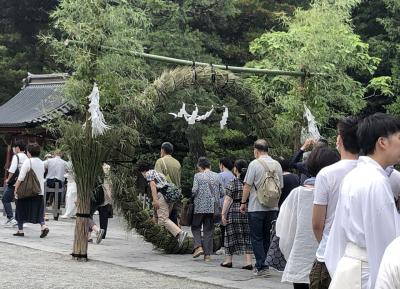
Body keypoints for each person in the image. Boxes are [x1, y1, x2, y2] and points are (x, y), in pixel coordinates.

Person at [325, 113, 400, 289]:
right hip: (369, 272)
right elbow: (385, 242)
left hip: (348, 268)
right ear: (382, 142)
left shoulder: (355, 176)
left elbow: (337, 235)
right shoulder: (376, 181)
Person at [277, 147, 340, 289]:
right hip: (331, 262)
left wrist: (290, 254)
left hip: (301, 260)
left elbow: (284, 231)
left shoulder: (298, 194)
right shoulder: (341, 193)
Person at [310, 116, 360, 289]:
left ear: (340, 139)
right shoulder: (376, 173)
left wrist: (328, 244)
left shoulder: (327, 174)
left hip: (327, 257)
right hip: (360, 260)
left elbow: (317, 224)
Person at [239, 139, 284, 276]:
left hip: (256, 206)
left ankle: (261, 266)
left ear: (256, 150)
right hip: (273, 208)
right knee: (266, 236)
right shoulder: (277, 164)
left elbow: (247, 185)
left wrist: (243, 202)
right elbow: (280, 186)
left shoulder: (254, 164)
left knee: (256, 237)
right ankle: (266, 264)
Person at [138, 162, 188, 246]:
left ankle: (180, 233)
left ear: (143, 171)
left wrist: (155, 200)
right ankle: (166, 240)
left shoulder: (149, 173)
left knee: (163, 219)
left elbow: (153, 185)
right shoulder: (157, 173)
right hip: (169, 197)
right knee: (160, 220)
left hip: (162, 196)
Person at [220, 159, 253, 270]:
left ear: (236, 169)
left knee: (230, 235)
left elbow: (227, 200)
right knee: (247, 236)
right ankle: (248, 262)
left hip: (234, 210)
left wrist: (223, 214)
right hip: (248, 209)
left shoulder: (233, 182)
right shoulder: (250, 183)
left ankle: (228, 260)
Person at [191, 157, 224, 261]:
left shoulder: (197, 176)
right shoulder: (217, 176)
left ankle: (198, 246)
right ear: (209, 166)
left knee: (195, 227)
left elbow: (194, 190)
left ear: (199, 167)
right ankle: (207, 256)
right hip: (212, 207)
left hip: (199, 206)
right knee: (208, 230)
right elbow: (223, 192)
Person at [13, 143, 49, 238]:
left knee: (20, 209)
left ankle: (20, 230)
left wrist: (16, 188)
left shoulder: (28, 162)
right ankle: (43, 226)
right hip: (39, 191)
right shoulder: (42, 163)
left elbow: (21, 177)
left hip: (26, 192)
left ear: (29, 152)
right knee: (38, 211)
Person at [2, 142, 27, 227]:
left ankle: (11, 218)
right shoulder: (27, 157)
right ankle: (20, 219)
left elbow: (12, 170)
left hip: (15, 183)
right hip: (24, 182)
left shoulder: (16, 156)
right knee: (19, 201)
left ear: (18, 148)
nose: (14, 149)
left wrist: (8, 179)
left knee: (5, 199)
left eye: (15, 147)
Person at [216, 157, 235, 255]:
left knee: (222, 225)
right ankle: (231, 246)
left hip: (222, 202)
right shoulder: (233, 176)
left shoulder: (220, 176)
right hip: (233, 203)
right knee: (229, 226)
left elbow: (217, 191)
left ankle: (223, 246)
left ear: (222, 165)